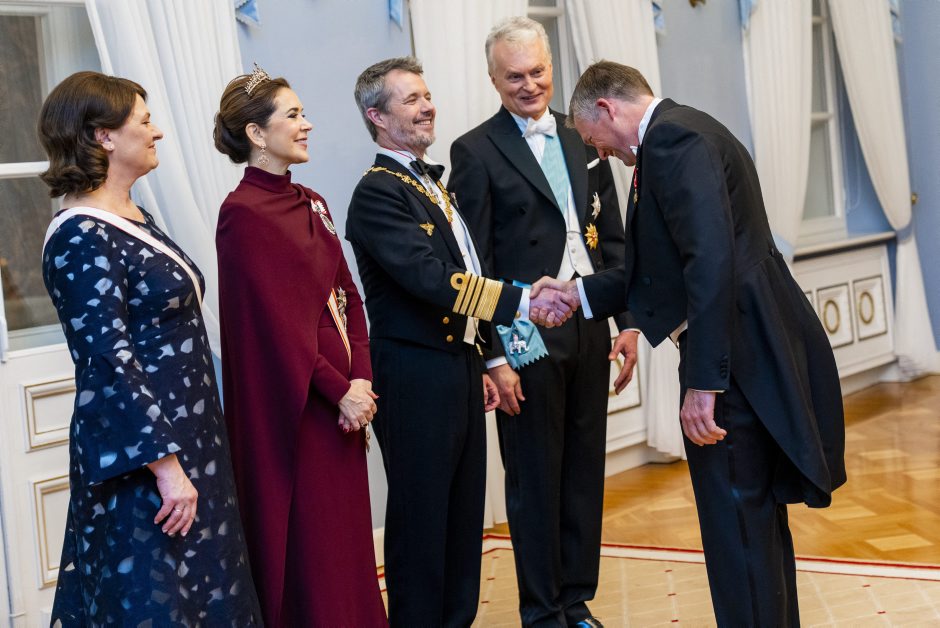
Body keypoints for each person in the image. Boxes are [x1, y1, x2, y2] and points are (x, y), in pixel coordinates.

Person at [532, 61, 847, 627]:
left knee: (737, 526)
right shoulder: (685, 130)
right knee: (753, 522)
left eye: (592, 138)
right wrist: (577, 293)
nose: (600, 152)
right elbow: (665, 268)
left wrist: (704, 382)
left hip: (734, 363)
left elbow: (710, 263)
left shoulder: (672, 141)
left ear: (605, 108)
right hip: (745, 351)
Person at [347, 57, 575, 627]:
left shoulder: (430, 183)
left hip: (456, 365)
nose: (427, 107)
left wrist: (488, 357)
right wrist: (522, 302)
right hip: (414, 374)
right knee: (423, 522)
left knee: (461, 515)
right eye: (410, 100)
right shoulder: (377, 192)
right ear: (377, 117)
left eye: (427, 95)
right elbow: (433, 280)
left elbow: (470, 270)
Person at [38, 71, 261, 626]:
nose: (157, 131)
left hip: (189, 439)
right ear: (104, 136)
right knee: (157, 601)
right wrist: (165, 467)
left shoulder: (133, 216)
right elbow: (107, 361)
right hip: (144, 460)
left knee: (207, 594)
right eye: (144, 121)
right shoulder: (81, 233)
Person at [448, 17, 634, 628]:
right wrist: (494, 356)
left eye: (537, 72)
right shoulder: (474, 150)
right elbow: (474, 263)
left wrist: (628, 323)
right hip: (523, 333)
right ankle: (543, 611)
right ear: (493, 79)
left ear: (552, 67)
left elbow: (613, 238)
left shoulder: (583, 134)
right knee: (534, 476)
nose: (529, 86)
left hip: (589, 320)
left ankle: (576, 600)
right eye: (514, 77)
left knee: (583, 468)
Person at [213, 65, 387, 627]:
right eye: (293, 115)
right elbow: (273, 331)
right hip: (301, 413)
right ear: (256, 134)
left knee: (350, 546)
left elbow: (349, 296)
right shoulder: (241, 214)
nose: (307, 124)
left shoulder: (313, 200)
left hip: (346, 406)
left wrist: (362, 379)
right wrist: (340, 391)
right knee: (316, 551)